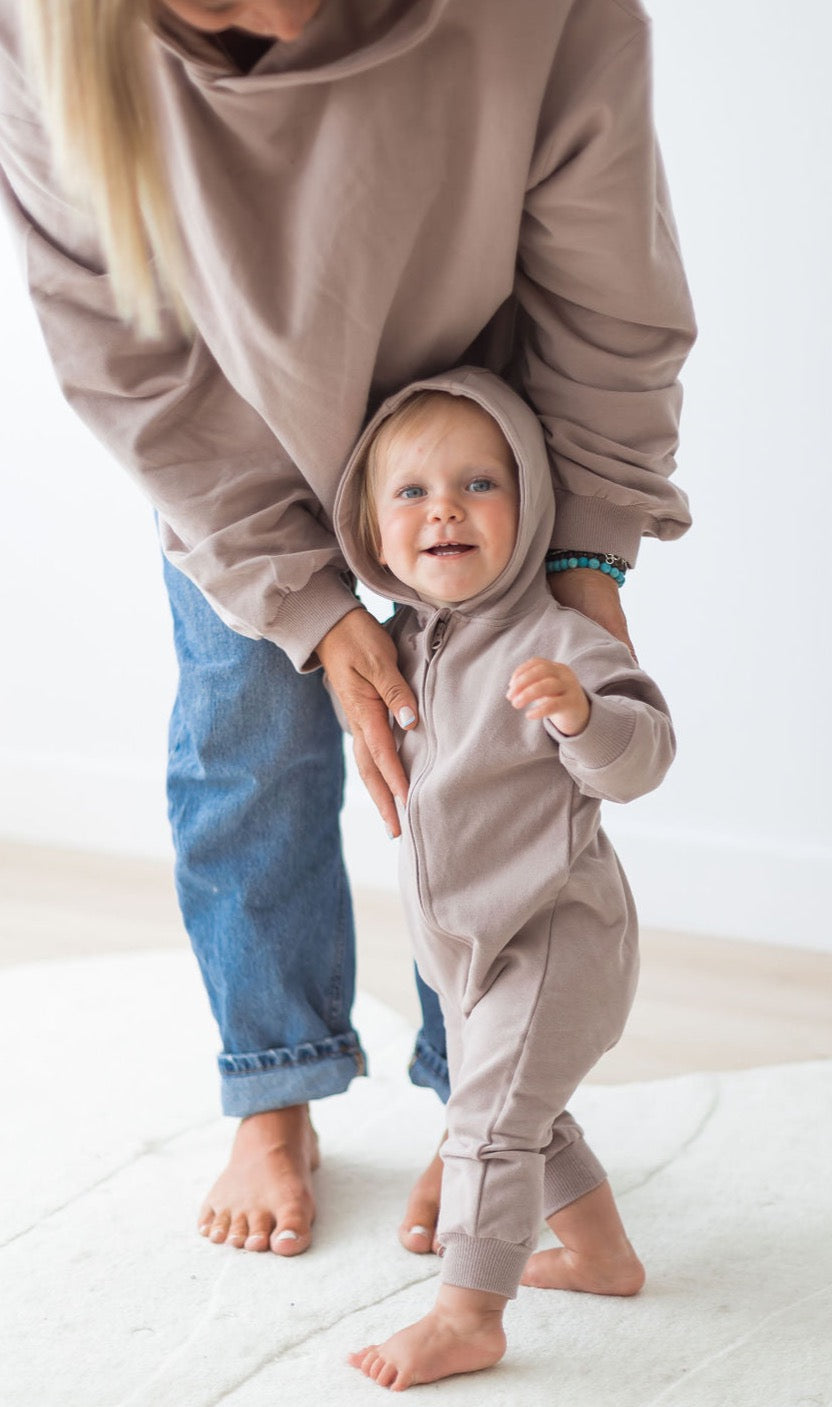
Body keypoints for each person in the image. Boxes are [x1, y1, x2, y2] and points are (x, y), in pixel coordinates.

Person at [0, 0, 695, 1257]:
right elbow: (129, 362)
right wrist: (306, 607)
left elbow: (608, 299)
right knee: (243, 755)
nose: (262, 22)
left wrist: (587, 550)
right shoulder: (39, 41)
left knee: (482, 782)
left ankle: (473, 1098)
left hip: (480, 444)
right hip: (238, 454)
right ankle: (274, 1088)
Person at [335, 366, 675, 1389]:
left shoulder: (558, 639)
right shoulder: (400, 645)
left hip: (554, 933)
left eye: (480, 485)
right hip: (464, 949)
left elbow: (644, 755)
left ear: (528, 509)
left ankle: (467, 1313)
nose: (444, 507)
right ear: (373, 530)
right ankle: (603, 1255)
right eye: (411, 492)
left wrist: (582, 715)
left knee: (486, 1122)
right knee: (523, 1110)